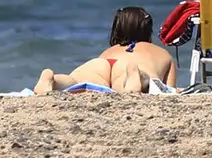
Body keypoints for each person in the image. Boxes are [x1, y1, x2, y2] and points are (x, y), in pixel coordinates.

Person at [34, 6, 176, 94]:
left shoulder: (111, 51)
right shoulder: (162, 53)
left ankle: (53, 80)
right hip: (132, 67)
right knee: (127, 82)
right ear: (148, 30)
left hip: (103, 64)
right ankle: (136, 76)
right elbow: (169, 90)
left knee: (76, 81)